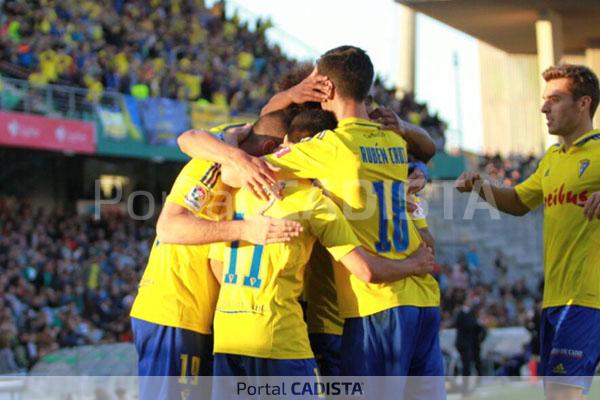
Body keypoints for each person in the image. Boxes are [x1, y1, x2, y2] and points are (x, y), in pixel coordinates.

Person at [129, 111, 303, 400]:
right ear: (269, 151)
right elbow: (169, 226)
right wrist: (245, 230)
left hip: (189, 317)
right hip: (175, 314)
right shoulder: (213, 163)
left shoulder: (226, 161)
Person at [455, 64, 600, 400]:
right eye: (544, 99)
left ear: (583, 104)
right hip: (556, 298)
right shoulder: (552, 158)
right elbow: (519, 201)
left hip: (587, 297)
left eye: (555, 99)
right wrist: (481, 187)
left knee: (563, 394)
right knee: (557, 393)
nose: (543, 107)